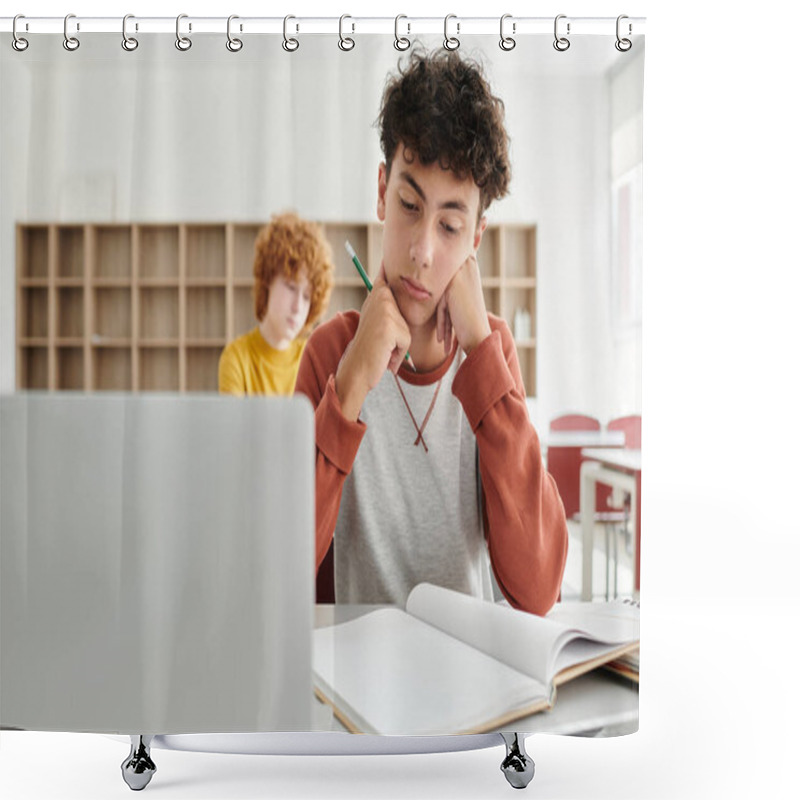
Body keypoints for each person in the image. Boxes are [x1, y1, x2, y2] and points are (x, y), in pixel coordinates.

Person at [295, 49, 568, 616]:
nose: (422, 251)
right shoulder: (329, 353)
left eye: (449, 224)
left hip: (473, 686)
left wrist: (482, 352)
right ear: (380, 191)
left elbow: (538, 589)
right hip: (355, 689)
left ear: (476, 237)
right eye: (409, 205)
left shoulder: (492, 356)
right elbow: (277, 570)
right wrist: (347, 391)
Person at [218, 212, 334, 396]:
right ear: (267, 280)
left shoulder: (313, 360)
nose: (298, 307)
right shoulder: (237, 358)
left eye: (306, 296)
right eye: (290, 287)